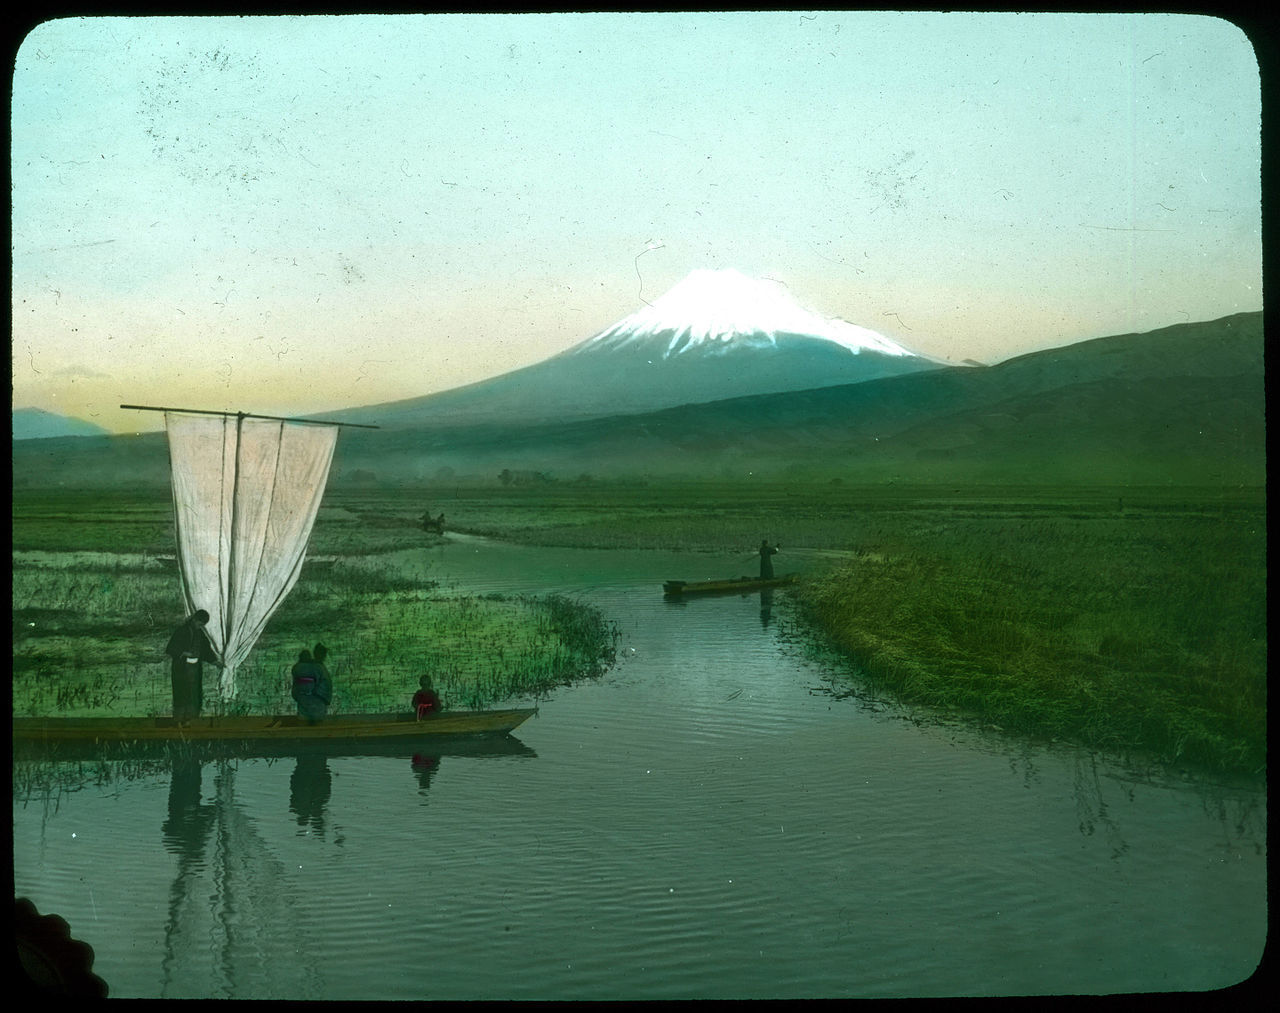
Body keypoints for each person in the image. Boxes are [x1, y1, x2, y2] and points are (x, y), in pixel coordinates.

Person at [164, 609, 218, 721]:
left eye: (202, 625)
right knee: (181, 697)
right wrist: (183, 652)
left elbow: (206, 650)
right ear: (194, 619)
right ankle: (179, 723)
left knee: (194, 697)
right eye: (199, 623)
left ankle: (192, 722)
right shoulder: (181, 631)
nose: (200, 626)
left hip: (195, 670)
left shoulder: (200, 633)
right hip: (181, 670)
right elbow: (170, 649)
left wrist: (215, 661)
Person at [291, 645, 332, 723]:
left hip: (304, 700)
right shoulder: (318, 668)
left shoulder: (297, 668)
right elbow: (326, 685)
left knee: (304, 721)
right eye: (323, 654)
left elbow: (296, 686)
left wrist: (298, 696)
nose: (324, 656)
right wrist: (325, 697)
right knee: (317, 721)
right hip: (317, 701)